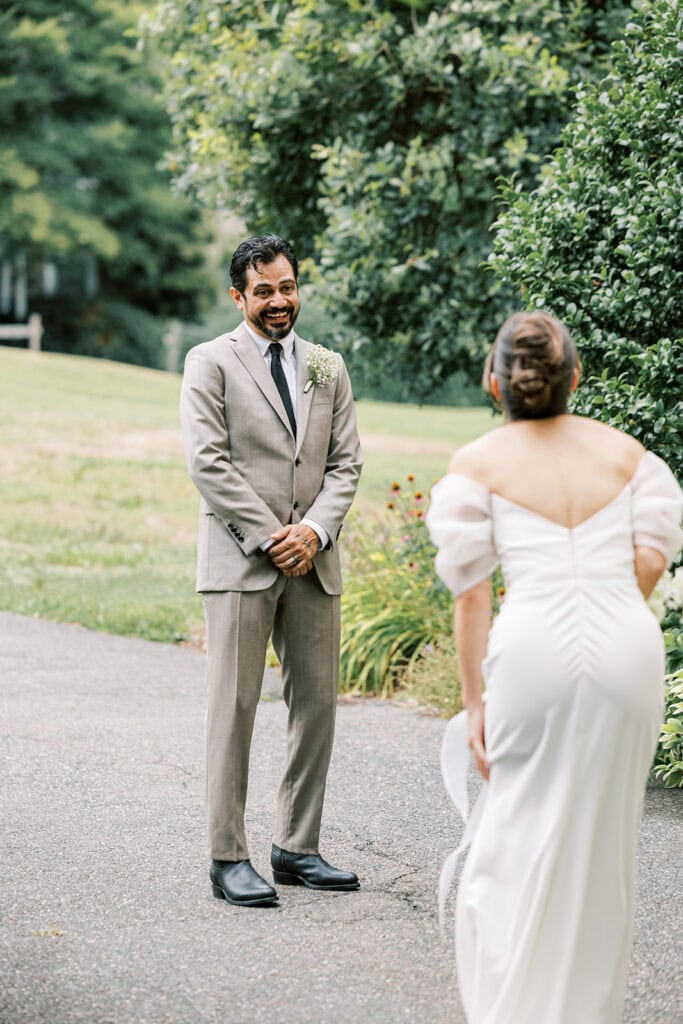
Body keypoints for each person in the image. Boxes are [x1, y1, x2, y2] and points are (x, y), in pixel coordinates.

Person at [426, 311, 682, 1024]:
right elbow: (646, 561)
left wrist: (475, 705)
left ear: (493, 381)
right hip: (626, 653)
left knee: (509, 836)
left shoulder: (478, 463)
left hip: (530, 648)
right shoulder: (630, 457)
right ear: (574, 377)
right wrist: (603, 627)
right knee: (602, 843)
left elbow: (472, 596)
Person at [180, 234, 363, 907]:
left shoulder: (326, 366)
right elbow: (208, 463)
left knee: (315, 705)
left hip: (314, 560)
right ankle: (227, 856)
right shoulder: (209, 363)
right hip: (240, 562)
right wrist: (270, 536)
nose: (280, 301)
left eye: (287, 287)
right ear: (238, 296)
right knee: (233, 708)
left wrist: (312, 531)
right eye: (265, 290)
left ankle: (296, 845)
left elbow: (346, 463)